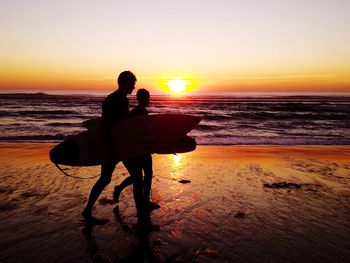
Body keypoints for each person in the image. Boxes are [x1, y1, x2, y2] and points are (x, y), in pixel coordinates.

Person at [82, 71, 136, 220]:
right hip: (115, 146)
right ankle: (87, 210)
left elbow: (120, 123)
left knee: (111, 178)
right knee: (110, 178)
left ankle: (88, 209)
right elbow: (111, 125)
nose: (134, 87)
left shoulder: (117, 99)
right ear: (123, 83)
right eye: (132, 84)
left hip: (118, 145)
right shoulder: (115, 100)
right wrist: (109, 147)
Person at [113, 89, 160, 214]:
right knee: (138, 178)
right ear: (139, 99)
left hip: (145, 149)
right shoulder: (135, 114)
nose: (148, 100)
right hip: (138, 151)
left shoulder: (143, 112)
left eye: (148, 98)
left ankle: (145, 201)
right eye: (146, 98)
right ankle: (141, 206)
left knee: (147, 175)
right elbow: (131, 133)